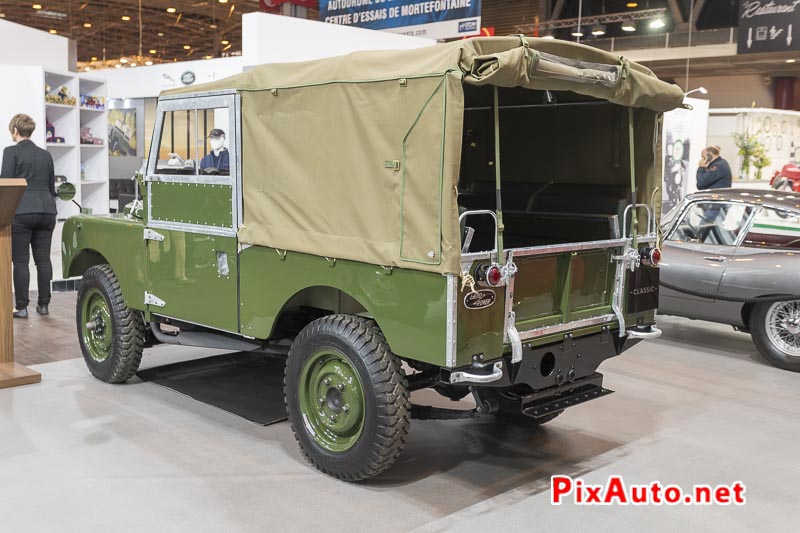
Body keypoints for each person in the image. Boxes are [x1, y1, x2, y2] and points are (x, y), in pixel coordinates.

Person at [1, 114, 57, 318]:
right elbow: (51, 187)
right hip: (47, 211)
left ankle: (22, 307)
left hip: (22, 211)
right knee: (43, 260)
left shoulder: (10, 152)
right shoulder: (45, 155)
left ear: (15, 130)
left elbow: (6, 183)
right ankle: (44, 305)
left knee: (21, 261)